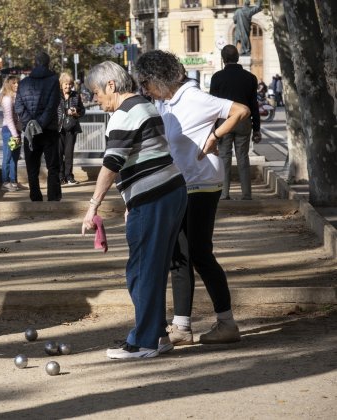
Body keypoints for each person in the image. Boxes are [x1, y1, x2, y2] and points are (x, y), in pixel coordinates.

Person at [135, 50, 250, 345]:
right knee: (180, 256)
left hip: (201, 184)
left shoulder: (195, 97)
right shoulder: (164, 102)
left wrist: (215, 137)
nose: (144, 90)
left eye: (146, 83)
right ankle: (182, 326)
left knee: (199, 253)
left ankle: (226, 323)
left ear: (159, 79)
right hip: (179, 184)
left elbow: (240, 110)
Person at [81, 61, 187, 359]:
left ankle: (143, 342)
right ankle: (158, 335)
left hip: (154, 198)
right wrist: (130, 201)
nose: (95, 100)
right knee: (153, 268)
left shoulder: (123, 115)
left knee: (141, 271)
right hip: (171, 192)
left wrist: (93, 206)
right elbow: (145, 154)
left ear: (111, 86)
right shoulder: (146, 105)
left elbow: (111, 164)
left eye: (96, 93)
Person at [210, 44, 261, 201]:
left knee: (224, 157)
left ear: (223, 59)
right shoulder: (250, 78)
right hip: (244, 122)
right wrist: (257, 128)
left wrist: (212, 128)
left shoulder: (217, 77)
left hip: (224, 122)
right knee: (243, 157)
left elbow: (212, 105)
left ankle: (225, 194)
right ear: (238, 58)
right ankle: (246, 194)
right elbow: (254, 105)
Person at [15, 51, 61, 201]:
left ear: (35, 63)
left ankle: (35, 196)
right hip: (49, 129)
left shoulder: (23, 83)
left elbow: (19, 106)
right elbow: (52, 106)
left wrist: (31, 123)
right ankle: (53, 197)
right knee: (53, 166)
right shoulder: (54, 80)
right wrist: (40, 123)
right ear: (48, 64)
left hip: (30, 131)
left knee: (32, 167)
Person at [57, 72, 85, 185]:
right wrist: (65, 111)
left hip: (71, 128)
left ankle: (69, 176)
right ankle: (60, 176)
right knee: (58, 154)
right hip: (58, 128)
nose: (68, 86)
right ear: (61, 84)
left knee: (69, 154)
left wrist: (76, 112)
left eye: (70, 84)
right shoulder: (56, 95)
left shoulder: (75, 95)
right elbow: (53, 110)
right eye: (66, 84)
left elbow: (82, 110)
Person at [0, 75, 23, 192]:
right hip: (9, 131)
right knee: (7, 158)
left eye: (18, 83)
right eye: (14, 83)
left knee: (15, 157)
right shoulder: (7, 99)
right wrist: (15, 135)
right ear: (9, 85)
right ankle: (5, 182)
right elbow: (9, 119)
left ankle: (13, 181)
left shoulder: (15, 97)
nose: (17, 85)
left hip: (16, 131)